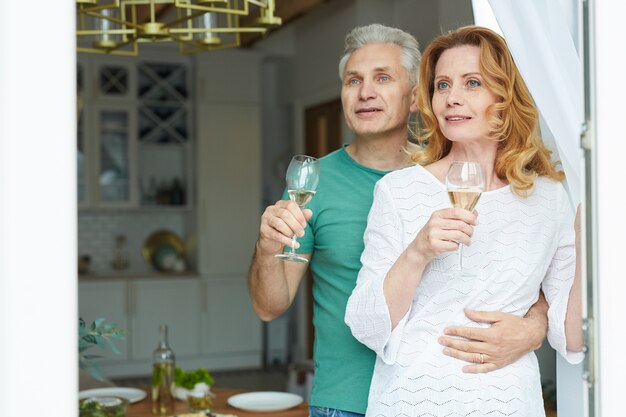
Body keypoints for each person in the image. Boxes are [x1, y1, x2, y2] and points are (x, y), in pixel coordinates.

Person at [248, 24, 550, 417]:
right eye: (353, 80)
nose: (364, 92)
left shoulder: (460, 177)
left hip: (438, 398)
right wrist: (267, 248)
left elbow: (513, 266)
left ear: (414, 97)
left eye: (382, 78)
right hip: (345, 401)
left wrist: (536, 325)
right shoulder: (315, 185)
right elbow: (270, 307)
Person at [345, 25, 583, 417]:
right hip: (409, 401)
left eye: (472, 83)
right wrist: (418, 251)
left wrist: (590, 233)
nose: (451, 99)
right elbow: (367, 326)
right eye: (442, 85)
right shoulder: (398, 190)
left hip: (507, 405)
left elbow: (572, 338)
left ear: (506, 96)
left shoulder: (549, 199)